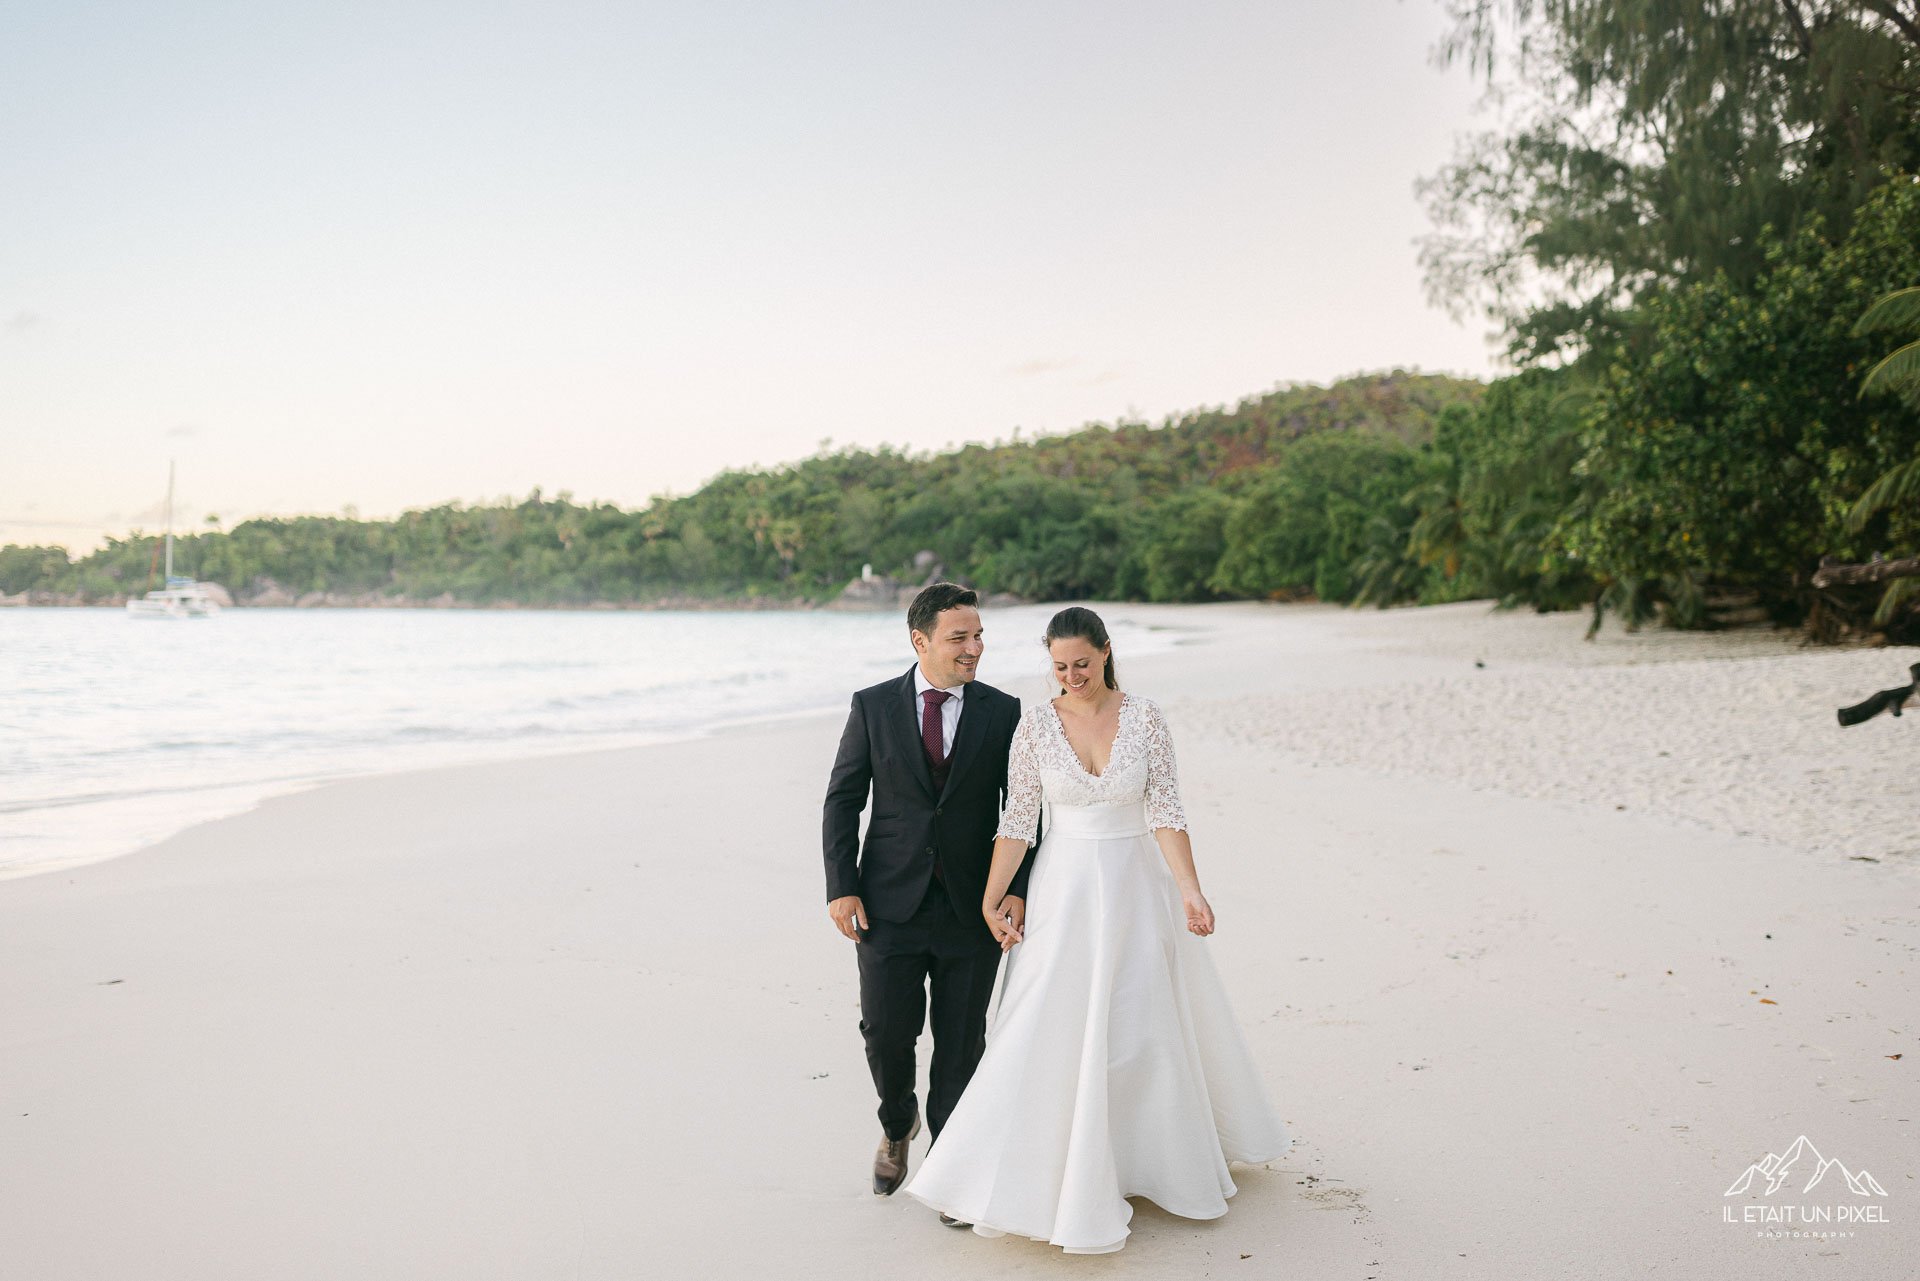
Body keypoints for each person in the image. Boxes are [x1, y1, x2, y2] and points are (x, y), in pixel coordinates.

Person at [901, 606, 1290, 1254]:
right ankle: (1036, 1165)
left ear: (1106, 652)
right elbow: (1019, 819)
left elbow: (1166, 808)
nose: (1071, 676)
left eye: (1082, 663)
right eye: (1058, 666)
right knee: (1048, 1023)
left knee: (1141, 1026)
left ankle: (1144, 1163)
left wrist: (1191, 888)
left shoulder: (1145, 716)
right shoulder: (1035, 724)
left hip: (1138, 884)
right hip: (1063, 892)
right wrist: (993, 896)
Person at [821, 582, 1037, 1216]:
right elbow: (842, 799)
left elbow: (1026, 809)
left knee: (961, 1041)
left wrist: (1016, 891)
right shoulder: (872, 706)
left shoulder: (1003, 712)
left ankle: (950, 1162)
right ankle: (897, 1124)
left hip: (975, 906)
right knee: (886, 1033)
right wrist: (842, 886)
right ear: (921, 641)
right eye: (959, 638)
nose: (974, 649)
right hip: (886, 902)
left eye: (978, 637)